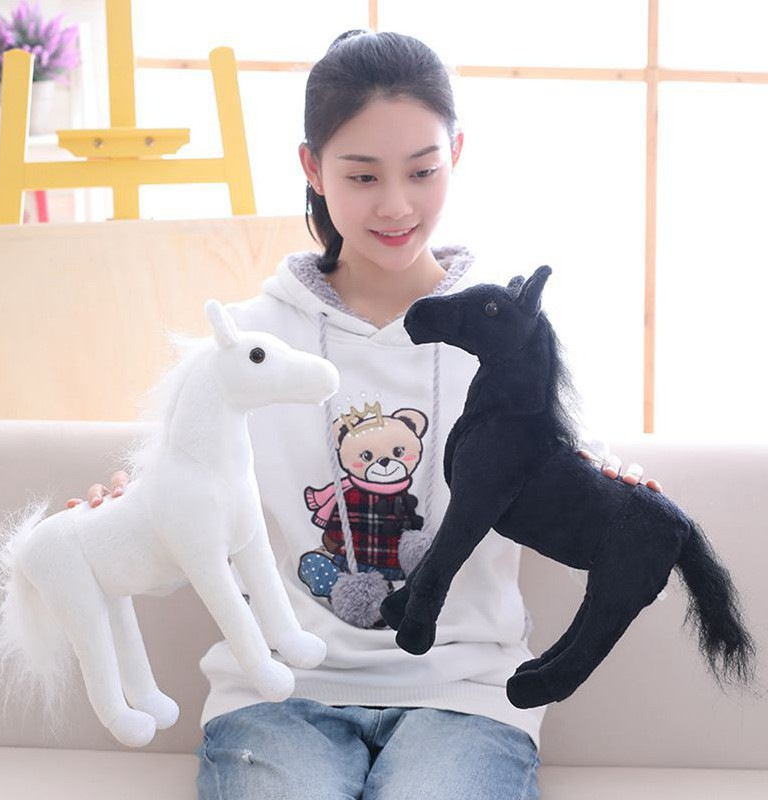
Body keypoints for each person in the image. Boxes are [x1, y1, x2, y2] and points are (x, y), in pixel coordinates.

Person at [68, 29, 662, 800]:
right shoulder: (249, 345)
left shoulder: (505, 334)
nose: (396, 204)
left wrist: (617, 493)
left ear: (456, 153)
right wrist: (118, 513)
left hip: (464, 696)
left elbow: (557, 474)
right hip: (280, 694)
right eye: (362, 175)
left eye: (422, 170)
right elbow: (183, 496)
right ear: (312, 167)